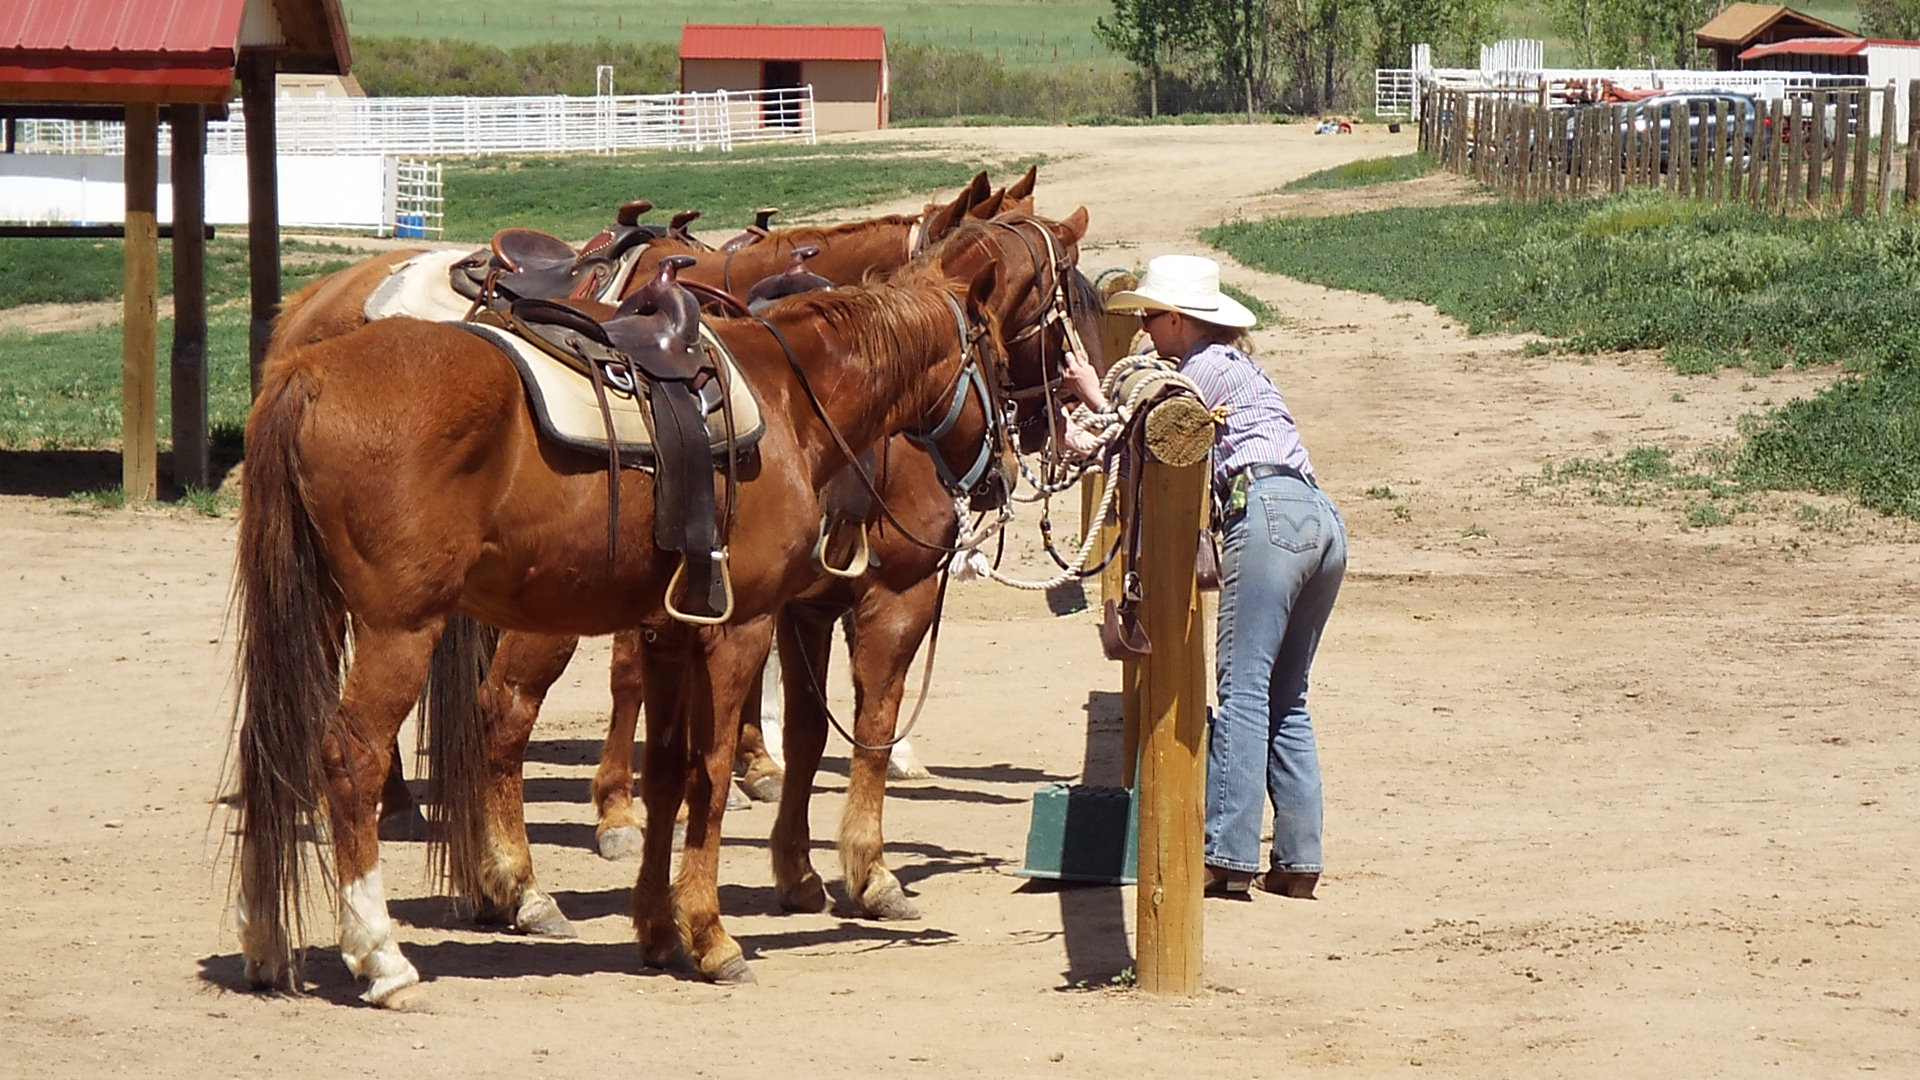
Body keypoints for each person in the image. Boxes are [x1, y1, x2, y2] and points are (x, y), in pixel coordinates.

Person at [1062, 254, 1346, 900]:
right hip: (1318, 518)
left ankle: (1228, 850)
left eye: (1151, 320)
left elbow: (1151, 428)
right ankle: (1298, 857)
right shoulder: (1240, 368)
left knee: (1241, 687)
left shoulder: (1200, 372)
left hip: (1265, 516)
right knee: (1286, 694)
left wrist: (1090, 394)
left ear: (1177, 320)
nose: (1146, 333)